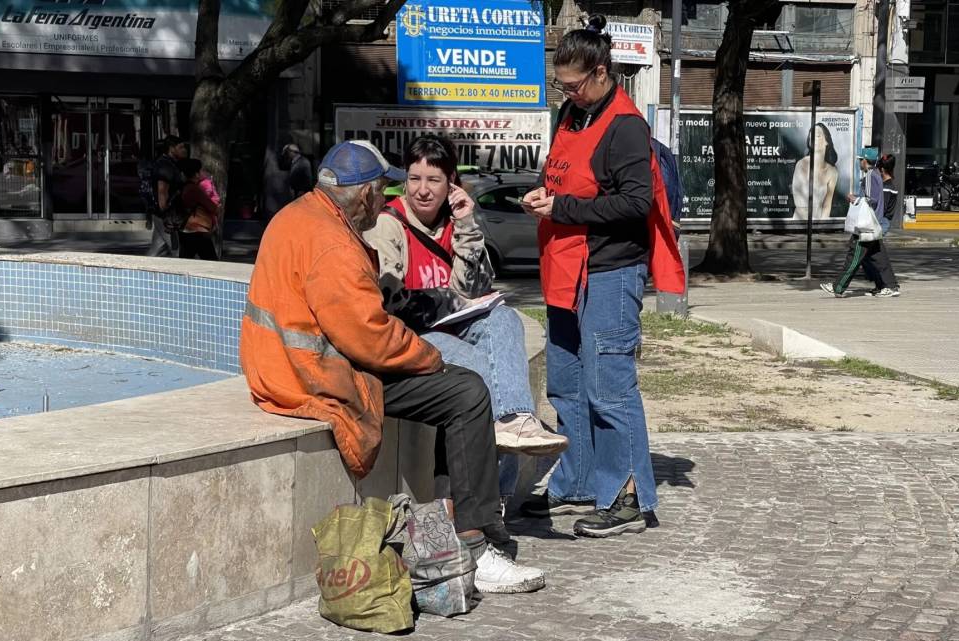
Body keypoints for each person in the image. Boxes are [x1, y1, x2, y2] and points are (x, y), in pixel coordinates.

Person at [239, 139, 545, 594]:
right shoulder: (333, 243)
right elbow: (371, 340)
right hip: (320, 374)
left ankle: (456, 521)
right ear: (364, 194)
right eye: (384, 191)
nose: (388, 201)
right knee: (467, 391)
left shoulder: (300, 214)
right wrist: (430, 356)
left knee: (458, 387)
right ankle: (478, 547)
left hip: (286, 365)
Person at [517, 14, 686, 538]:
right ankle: (578, 481)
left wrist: (561, 206)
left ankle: (628, 497)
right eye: (560, 85)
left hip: (610, 273)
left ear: (600, 71)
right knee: (567, 385)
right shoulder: (572, 113)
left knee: (610, 389)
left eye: (572, 85)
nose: (566, 93)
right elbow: (565, 179)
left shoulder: (626, 126)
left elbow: (636, 203)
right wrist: (542, 199)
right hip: (565, 268)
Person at [363, 135, 568, 511]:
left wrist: (468, 225)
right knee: (481, 380)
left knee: (504, 317)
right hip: (415, 335)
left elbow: (476, 288)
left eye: (434, 180)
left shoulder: (456, 223)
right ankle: (493, 497)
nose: (422, 190)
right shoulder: (389, 224)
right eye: (414, 179)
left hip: (457, 324)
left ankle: (516, 422)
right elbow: (386, 300)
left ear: (452, 183)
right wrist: (446, 300)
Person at [820, 147, 898, 298]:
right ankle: (890, 286)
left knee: (853, 256)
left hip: (866, 226)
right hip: (873, 224)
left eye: (860, 160)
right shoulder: (876, 175)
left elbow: (871, 200)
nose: (859, 163)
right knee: (878, 256)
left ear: (864, 161)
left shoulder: (869, 176)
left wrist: (854, 199)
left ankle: (838, 287)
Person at [858, 154, 901, 297]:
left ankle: (888, 285)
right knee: (869, 255)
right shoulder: (888, 185)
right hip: (881, 221)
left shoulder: (887, 188)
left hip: (881, 222)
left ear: (882, 170)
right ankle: (881, 284)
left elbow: (879, 209)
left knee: (874, 254)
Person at [146, 136, 188, 257]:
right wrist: (167, 216)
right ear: (171, 149)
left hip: (163, 215)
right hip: (165, 216)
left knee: (157, 249)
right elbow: (162, 191)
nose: (184, 150)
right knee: (178, 251)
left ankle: (140, 271)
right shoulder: (165, 166)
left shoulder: (170, 164)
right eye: (180, 147)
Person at [792, 123, 840, 221]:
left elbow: (827, 204)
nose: (814, 139)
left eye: (818, 136)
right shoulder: (801, 164)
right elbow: (799, 201)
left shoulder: (832, 171)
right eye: (811, 136)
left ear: (827, 141)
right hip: (799, 222)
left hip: (818, 224)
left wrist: (822, 223)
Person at [177, 158, 220, 260]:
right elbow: (213, 208)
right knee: (212, 264)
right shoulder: (195, 190)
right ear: (196, 174)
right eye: (200, 171)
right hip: (198, 231)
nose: (202, 173)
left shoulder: (184, 187)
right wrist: (217, 207)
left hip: (185, 229)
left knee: (184, 262)